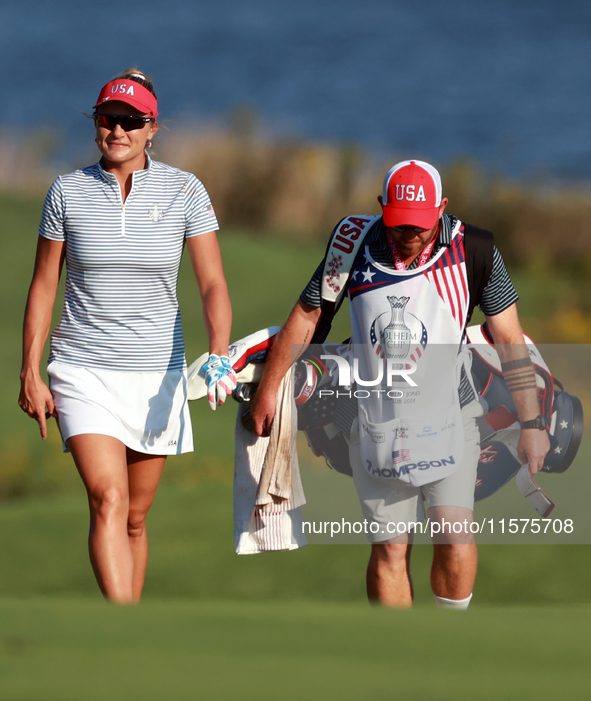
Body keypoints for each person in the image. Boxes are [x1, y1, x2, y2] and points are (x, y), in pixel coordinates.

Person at [250, 159, 550, 608]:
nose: (409, 235)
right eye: (399, 224)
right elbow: (308, 316)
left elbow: (509, 340)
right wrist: (269, 389)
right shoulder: (351, 242)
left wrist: (532, 424)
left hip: (453, 417)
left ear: (443, 208)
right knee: (390, 548)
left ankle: (448, 646)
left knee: (454, 536)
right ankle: (402, 650)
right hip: (374, 422)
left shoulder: (477, 249)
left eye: (420, 226)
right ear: (381, 208)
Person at [19, 69, 236, 604]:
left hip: (155, 376)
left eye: (130, 122)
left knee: (136, 519)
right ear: (95, 123)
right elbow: (44, 286)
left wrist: (219, 349)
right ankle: (118, 624)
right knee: (108, 499)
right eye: (106, 119)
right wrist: (30, 368)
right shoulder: (66, 191)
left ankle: (133, 632)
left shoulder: (185, 190)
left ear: (152, 128)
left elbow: (211, 282)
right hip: (81, 370)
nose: (116, 131)